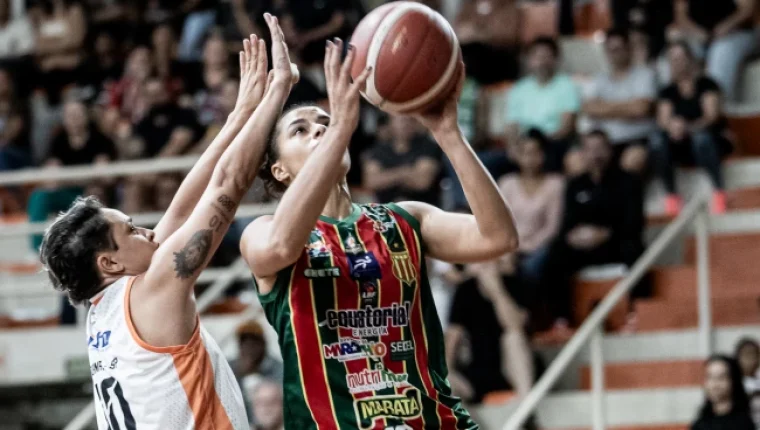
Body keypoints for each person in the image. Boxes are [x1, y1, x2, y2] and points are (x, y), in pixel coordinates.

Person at [239, 38, 519, 428]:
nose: (320, 130)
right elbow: (281, 247)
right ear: (279, 170)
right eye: (301, 130)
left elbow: (499, 238)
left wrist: (449, 135)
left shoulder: (406, 218)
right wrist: (340, 129)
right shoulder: (262, 231)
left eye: (326, 124)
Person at [38, 17, 296, 429]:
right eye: (131, 230)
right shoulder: (152, 291)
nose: (147, 231)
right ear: (110, 262)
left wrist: (240, 113)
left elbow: (179, 210)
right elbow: (227, 186)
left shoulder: (104, 313)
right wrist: (277, 91)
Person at [542, 130, 644, 331]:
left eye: (600, 148)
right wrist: (574, 236)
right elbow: (567, 224)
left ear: (610, 151)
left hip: (615, 244)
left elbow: (634, 222)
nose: (596, 154)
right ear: (583, 153)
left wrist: (606, 234)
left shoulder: (629, 181)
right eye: (590, 149)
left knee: (635, 249)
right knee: (555, 253)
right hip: (584, 247)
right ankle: (561, 318)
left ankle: (635, 312)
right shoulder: (575, 184)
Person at [652, 41, 731, 215]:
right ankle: (671, 195)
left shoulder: (707, 84)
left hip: (709, 140)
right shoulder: (667, 91)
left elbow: (711, 116)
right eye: (673, 59)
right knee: (656, 142)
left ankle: (718, 190)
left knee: (701, 137)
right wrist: (673, 127)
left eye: (681, 58)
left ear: (690, 59)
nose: (678, 63)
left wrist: (687, 127)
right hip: (680, 143)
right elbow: (663, 120)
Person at [581, 29, 656, 175]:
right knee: (578, 161)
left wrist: (604, 107)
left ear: (628, 49)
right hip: (604, 143)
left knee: (632, 159)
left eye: (618, 49)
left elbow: (641, 109)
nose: (614, 54)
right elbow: (589, 109)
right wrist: (628, 106)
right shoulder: (598, 79)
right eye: (610, 50)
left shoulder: (645, 75)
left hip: (637, 139)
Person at [497, 129, 564, 288]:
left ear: (544, 154)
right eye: (525, 153)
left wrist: (525, 247)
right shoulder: (507, 183)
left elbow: (552, 228)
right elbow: (500, 222)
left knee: (534, 265)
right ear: (518, 155)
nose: (530, 159)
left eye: (535, 153)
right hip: (508, 247)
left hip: (539, 248)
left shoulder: (555, 184)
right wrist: (510, 249)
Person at [505, 37, 580, 173]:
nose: (542, 61)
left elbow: (567, 127)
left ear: (555, 59)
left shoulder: (567, 86)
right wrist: (513, 147)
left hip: (552, 143)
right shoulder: (518, 89)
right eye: (537, 57)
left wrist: (538, 145)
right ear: (529, 60)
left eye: (546, 56)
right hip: (524, 144)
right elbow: (512, 126)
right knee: (488, 162)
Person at [667, 0, 755, 102]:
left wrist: (726, 26)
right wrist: (699, 33)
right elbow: (680, 15)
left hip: (736, 33)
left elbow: (747, 10)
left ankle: (716, 104)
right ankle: (672, 103)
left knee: (720, 50)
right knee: (675, 44)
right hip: (702, 35)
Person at [362, 115, 442, 205]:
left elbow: (422, 182)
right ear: (390, 123)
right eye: (400, 120)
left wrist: (386, 176)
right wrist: (405, 172)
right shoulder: (378, 150)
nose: (405, 124)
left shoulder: (428, 147)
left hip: (422, 207)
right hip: (387, 209)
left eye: (409, 120)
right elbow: (371, 181)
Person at [691, 355, 755, 430]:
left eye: (721, 377)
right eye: (709, 377)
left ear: (734, 380)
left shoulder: (745, 422)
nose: (714, 384)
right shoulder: (700, 424)